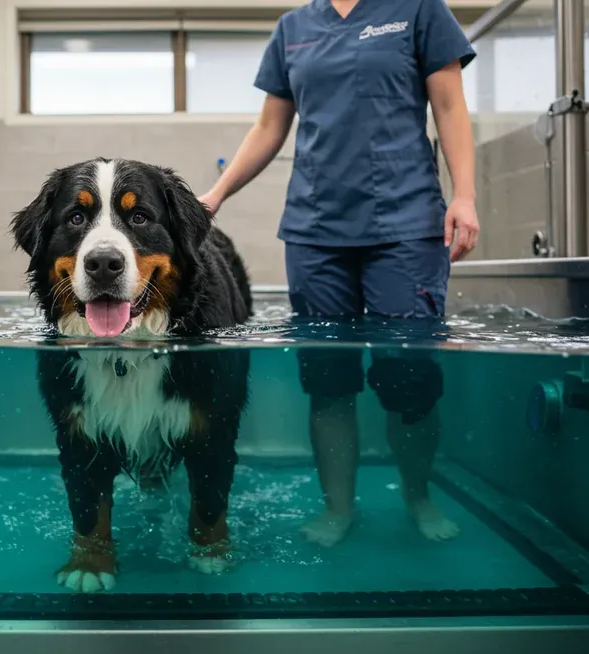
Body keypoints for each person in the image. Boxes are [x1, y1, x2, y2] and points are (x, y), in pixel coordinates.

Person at [197, 0, 479, 545]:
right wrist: (217, 193)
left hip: (404, 224)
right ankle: (338, 510)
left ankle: (419, 497)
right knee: (328, 383)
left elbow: (449, 106)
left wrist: (464, 196)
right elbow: (268, 126)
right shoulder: (293, 28)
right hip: (314, 229)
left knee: (411, 379)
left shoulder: (418, 10)